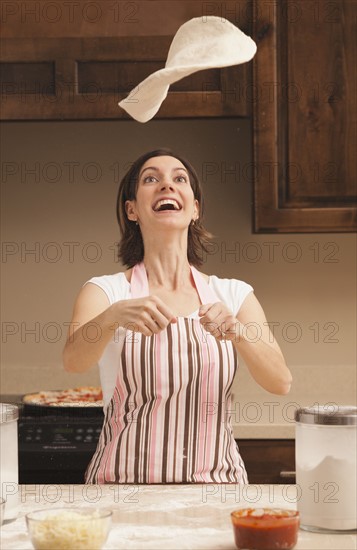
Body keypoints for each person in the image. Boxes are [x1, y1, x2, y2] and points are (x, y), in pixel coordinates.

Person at [63, 148, 292, 484]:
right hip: (121, 487)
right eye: (151, 179)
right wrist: (113, 316)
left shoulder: (234, 294)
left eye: (179, 179)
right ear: (132, 210)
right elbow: (73, 360)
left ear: (195, 208)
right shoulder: (106, 292)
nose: (166, 185)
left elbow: (280, 382)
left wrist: (239, 333)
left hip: (217, 488)